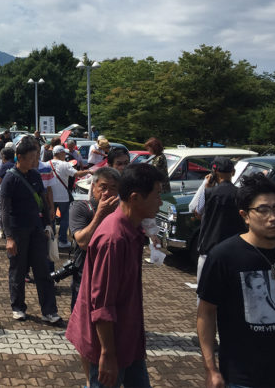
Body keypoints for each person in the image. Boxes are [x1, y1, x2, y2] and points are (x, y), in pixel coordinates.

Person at [197, 173, 275, 388]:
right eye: (263, 210)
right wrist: (210, 368)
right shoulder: (224, 256)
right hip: (241, 378)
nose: (273, 217)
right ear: (245, 216)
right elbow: (206, 312)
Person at [66, 163, 163, 388]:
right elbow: (102, 305)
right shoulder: (114, 238)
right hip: (110, 345)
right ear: (136, 198)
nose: (160, 202)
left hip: (128, 338)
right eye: (157, 195)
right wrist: (108, 354)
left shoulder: (132, 230)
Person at [0, 136, 61, 324]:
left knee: (43, 270)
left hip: (36, 229)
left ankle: (49, 311)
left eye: (36, 156)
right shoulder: (10, 179)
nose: (35, 161)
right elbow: (4, 210)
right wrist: (9, 237)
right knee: (18, 270)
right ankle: (18, 307)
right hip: (18, 231)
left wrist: (47, 225)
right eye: (32, 157)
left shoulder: (35, 175)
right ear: (20, 157)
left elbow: (42, 201)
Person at [68, 167, 121, 312]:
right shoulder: (81, 208)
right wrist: (100, 214)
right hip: (85, 275)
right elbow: (83, 242)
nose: (107, 193)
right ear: (93, 187)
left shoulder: (123, 212)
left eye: (113, 188)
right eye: (103, 187)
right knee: (82, 322)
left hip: (112, 276)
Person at [196, 156, 246, 285]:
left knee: (205, 292)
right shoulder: (241, 194)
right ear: (233, 172)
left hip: (209, 247)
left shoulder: (209, 192)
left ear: (214, 172)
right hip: (235, 250)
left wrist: (206, 187)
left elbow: (197, 212)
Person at [51, 145, 93, 247]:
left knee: (51, 218)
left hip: (50, 196)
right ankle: (62, 241)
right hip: (63, 196)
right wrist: (89, 171)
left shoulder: (46, 164)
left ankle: (51, 241)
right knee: (65, 218)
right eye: (64, 153)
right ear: (60, 153)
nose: (65, 154)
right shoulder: (65, 164)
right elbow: (77, 174)